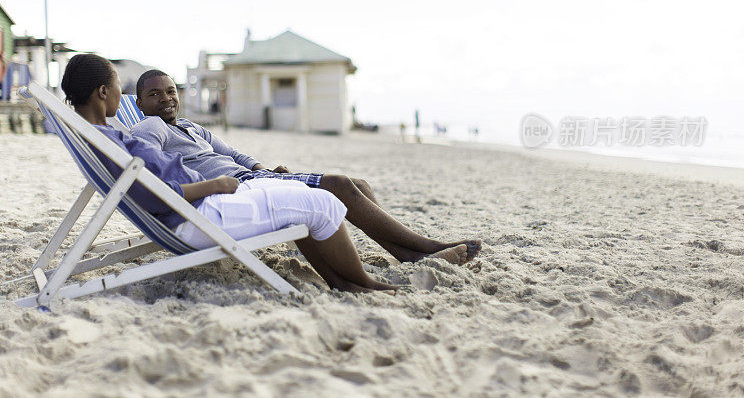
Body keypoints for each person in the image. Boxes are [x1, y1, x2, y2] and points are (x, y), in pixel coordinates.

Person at [60, 53, 402, 294]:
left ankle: (346, 281)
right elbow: (153, 190)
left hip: (199, 205)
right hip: (198, 212)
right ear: (103, 92)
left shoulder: (103, 136)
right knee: (324, 202)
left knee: (311, 201)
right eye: (121, 86)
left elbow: (150, 182)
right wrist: (216, 184)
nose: (125, 94)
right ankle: (364, 284)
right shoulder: (116, 137)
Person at [130, 70, 480, 264]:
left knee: (358, 185)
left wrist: (266, 169)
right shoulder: (149, 128)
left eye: (170, 91)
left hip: (254, 177)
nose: (166, 98)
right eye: (155, 94)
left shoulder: (191, 127)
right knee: (340, 184)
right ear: (140, 102)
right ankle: (425, 248)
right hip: (235, 192)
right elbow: (151, 167)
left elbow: (234, 154)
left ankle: (405, 253)